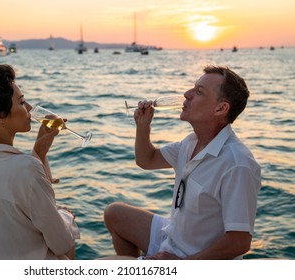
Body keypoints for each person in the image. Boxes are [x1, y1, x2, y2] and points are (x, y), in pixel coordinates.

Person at [104, 65, 261, 260]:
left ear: (221, 108)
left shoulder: (237, 164)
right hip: (175, 238)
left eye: (199, 92)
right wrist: (143, 127)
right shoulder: (191, 142)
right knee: (115, 213)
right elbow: (147, 160)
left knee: (102, 266)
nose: (187, 94)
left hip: (193, 258)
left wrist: (182, 265)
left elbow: (239, 242)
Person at [0, 62, 79, 260]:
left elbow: (8, 216)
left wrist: (39, 151)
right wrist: (66, 216)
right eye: (21, 102)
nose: (29, 108)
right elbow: (61, 243)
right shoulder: (26, 168)